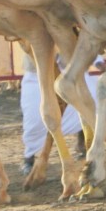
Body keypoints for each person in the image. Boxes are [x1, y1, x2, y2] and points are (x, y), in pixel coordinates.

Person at [18, 44, 84, 177]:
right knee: (34, 118)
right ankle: (29, 158)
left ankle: (83, 145)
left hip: (66, 72)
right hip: (35, 74)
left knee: (83, 105)